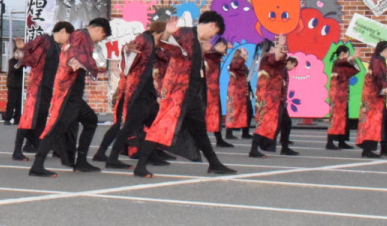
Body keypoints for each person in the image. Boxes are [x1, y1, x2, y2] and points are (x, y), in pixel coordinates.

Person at [132, 11, 237, 178]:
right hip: (177, 93)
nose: (212, 38)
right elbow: (165, 44)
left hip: (190, 94)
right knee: (161, 127)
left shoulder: (196, 41)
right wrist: (168, 31)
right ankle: (140, 166)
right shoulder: (186, 33)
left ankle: (214, 164)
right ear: (213, 26)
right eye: (214, 34)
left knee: (199, 129)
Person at [28, 18, 111, 177]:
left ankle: (80, 161)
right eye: (103, 37)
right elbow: (74, 54)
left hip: (71, 93)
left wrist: (84, 65)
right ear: (99, 30)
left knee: (90, 120)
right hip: (69, 93)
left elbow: (77, 55)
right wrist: (75, 62)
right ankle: (37, 165)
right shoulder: (82, 35)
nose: (100, 40)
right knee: (56, 128)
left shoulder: (78, 36)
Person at [101, 20, 168, 170]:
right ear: (159, 32)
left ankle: (151, 154)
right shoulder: (144, 39)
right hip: (137, 91)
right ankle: (112, 157)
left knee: (154, 123)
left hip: (145, 90)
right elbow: (127, 54)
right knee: (128, 126)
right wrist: (128, 50)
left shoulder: (152, 43)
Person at [12, 22, 73, 161]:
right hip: (38, 86)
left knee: (41, 118)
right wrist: (22, 48)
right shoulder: (45, 41)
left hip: (49, 87)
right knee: (29, 117)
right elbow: (31, 59)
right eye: (68, 35)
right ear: (63, 31)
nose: (68, 39)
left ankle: (35, 144)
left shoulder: (60, 47)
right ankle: (17, 150)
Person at [250, 38, 294, 158]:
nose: (277, 50)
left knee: (284, 122)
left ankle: (283, 146)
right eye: (274, 47)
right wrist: (280, 45)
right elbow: (275, 58)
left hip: (275, 97)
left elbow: (279, 59)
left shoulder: (271, 61)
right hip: (268, 97)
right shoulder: (267, 59)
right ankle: (254, 149)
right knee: (265, 122)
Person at [355, 40, 387, 158]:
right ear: (385, 50)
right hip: (373, 98)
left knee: (384, 120)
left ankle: (382, 147)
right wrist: (384, 87)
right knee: (373, 121)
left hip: (374, 97)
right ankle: (368, 149)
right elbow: (379, 75)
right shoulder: (378, 60)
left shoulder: (376, 60)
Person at [325, 45, 359, 150]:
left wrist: (352, 60)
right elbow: (342, 62)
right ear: (343, 54)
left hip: (343, 95)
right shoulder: (337, 63)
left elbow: (356, 70)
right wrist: (350, 58)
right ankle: (330, 141)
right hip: (336, 95)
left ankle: (341, 140)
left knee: (343, 118)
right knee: (335, 118)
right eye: (347, 53)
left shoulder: (343, 64)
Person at [205, 37, 232, 148]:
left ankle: (219, 139)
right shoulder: (208, 56)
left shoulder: (215, 57)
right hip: (205, 90)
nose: (223, 47)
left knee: (215, 115)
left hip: (213, 90)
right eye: (221, 45)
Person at [224, 47, 252, 141]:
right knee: (233, 110)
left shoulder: (242, 64)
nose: (247, 56)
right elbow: (233, 66)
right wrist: (242, 58)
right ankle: (229, 132)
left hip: (243, 90)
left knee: (247, 111)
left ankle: (245, 132)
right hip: (235, 91)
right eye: (246, 54)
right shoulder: (236, 63)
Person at [2, 44, 24, 126]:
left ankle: (17, 119)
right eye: (17, 53)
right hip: (12, 84)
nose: (18, 54)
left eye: (20, 53)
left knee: (19, 103)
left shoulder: (23, 62)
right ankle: (7, 118)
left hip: (20, 84)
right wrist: (20, 62)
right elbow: (14, 69)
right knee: (11, 102)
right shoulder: (11, 61)